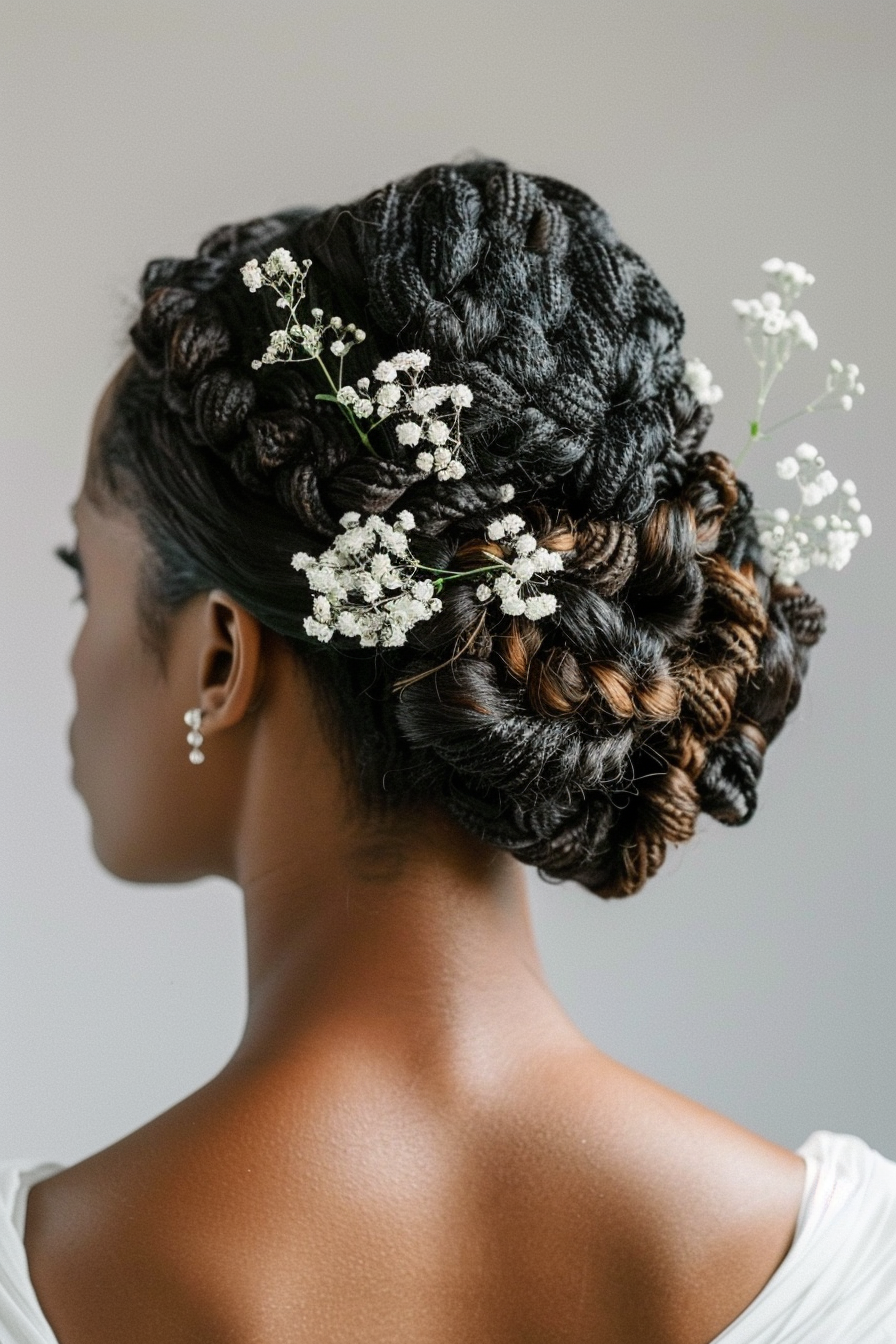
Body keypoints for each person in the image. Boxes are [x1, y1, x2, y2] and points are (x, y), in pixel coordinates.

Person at [2, 161, 893, 1344]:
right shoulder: (846, 1265)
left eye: (84, 584)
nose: (70, 661)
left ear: (219, 657)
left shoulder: (52, 1280)